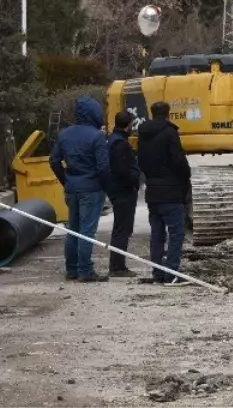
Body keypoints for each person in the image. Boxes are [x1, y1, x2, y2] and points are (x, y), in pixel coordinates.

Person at [49, 95, 112, 283]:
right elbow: (103, 167)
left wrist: (65, 180)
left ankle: (72, 269)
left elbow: (53, 160)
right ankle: (86, 270)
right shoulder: (97, 136)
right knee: (87, 231)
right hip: (91, 188)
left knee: (73, 229)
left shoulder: (64, 134)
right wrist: (106, 187)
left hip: (71, 187)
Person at [136, 100, 190, 285]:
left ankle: (157, 273)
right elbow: (178, 160)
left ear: (151, 113)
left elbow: (141, 161)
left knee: (157, 234)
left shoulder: (143, 134)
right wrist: (186, 175)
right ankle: (172, 273)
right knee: (176, 233)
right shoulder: (169, 132)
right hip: (171, 191)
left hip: (153, 191)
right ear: (168, 113)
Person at [105, 110, 141, 278]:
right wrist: (134, 181)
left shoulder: (115, 140)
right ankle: (117, 266)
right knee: (122, 228)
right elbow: (121, 170)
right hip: (123, 191)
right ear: (129, 125)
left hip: (120, 189)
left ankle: (118, 264)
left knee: (122, 227)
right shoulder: (119, 143)